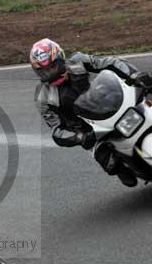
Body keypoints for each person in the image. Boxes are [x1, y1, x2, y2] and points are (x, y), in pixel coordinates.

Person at [30, 38, 152, 187]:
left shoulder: (78, 60)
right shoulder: (42, 97)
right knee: (109, 162)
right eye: (43, 71)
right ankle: (121, 169)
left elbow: (110, 63)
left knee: (147, 93)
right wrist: (79, 136)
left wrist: (133, 75)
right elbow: (56, 129)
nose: (49, 73)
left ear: (61, 59)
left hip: (109, 100)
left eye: (52, 67)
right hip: (89, 129)